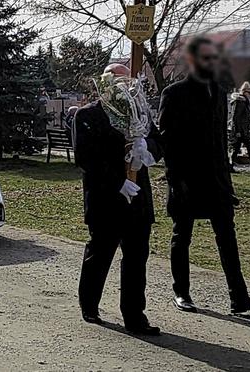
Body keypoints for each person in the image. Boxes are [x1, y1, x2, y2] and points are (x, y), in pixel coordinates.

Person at [159, 37, 250, 315]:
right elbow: (168, 141)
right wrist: (175, 180)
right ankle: (181, 292)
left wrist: (227, 179)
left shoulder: (220, 92)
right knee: (182, 236)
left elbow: (220, 139)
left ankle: (238, 296)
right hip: (186, 179)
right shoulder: (175, 93)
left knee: (227, 237)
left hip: (217, 181)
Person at [73, 63, 163, 336]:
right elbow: (86, 158)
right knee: (100, 254)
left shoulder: (140, 113)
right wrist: (117, 182)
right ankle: (89, 304)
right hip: (106, 199)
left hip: (137, 199)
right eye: (117, 81)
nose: (123, 87)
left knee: (136, 258)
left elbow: (159, 141)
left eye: (127, 82)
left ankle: (135, 316)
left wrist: (147, 150)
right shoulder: (88, 115)